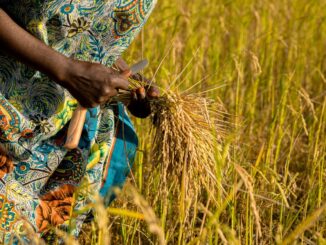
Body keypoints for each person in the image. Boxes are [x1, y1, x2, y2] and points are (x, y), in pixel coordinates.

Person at [0, 0, 158, 243]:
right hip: (8, 116)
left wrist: (123, 81)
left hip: (61, 145)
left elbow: (84, 31)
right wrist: (66, 70)